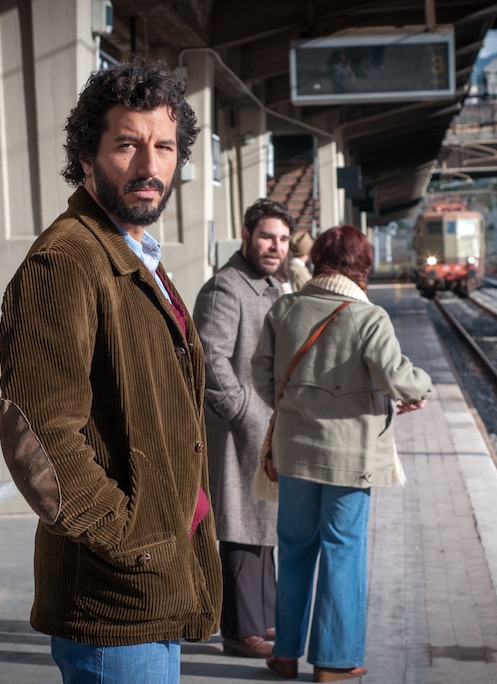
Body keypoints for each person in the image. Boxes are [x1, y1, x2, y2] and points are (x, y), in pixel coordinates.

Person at [0, 57, 221, 684]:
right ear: (87, 158)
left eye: (164, 147)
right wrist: (130, 539)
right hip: (114, 594)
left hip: (155, 582)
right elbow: (38, 434)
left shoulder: (134, 252)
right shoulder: (66, 261)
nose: (150, 166)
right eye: (127, 145)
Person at [251, 224, 433, 682]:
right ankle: (333, 662)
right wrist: (422, 387)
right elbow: (397, 377)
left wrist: (297, 411)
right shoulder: (368, 317)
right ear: (361, 268)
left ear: (318, 262)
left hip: (294, 453)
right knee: (343, 550)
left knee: (294, 551)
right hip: (349, 458)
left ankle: (285, 654)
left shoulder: (285, 309)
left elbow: (262, 376)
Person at [193, 198, 292, 658]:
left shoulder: (273, 286)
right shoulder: (225, 287)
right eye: (268, 236)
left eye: (283, 239)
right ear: (247, 236)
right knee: (239, 526)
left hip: (268, 428)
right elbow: (209, 359)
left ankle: (264, 616)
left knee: (263, 522)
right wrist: (245, 412)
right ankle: (238, 630)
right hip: (238, 432)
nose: (276, 246)